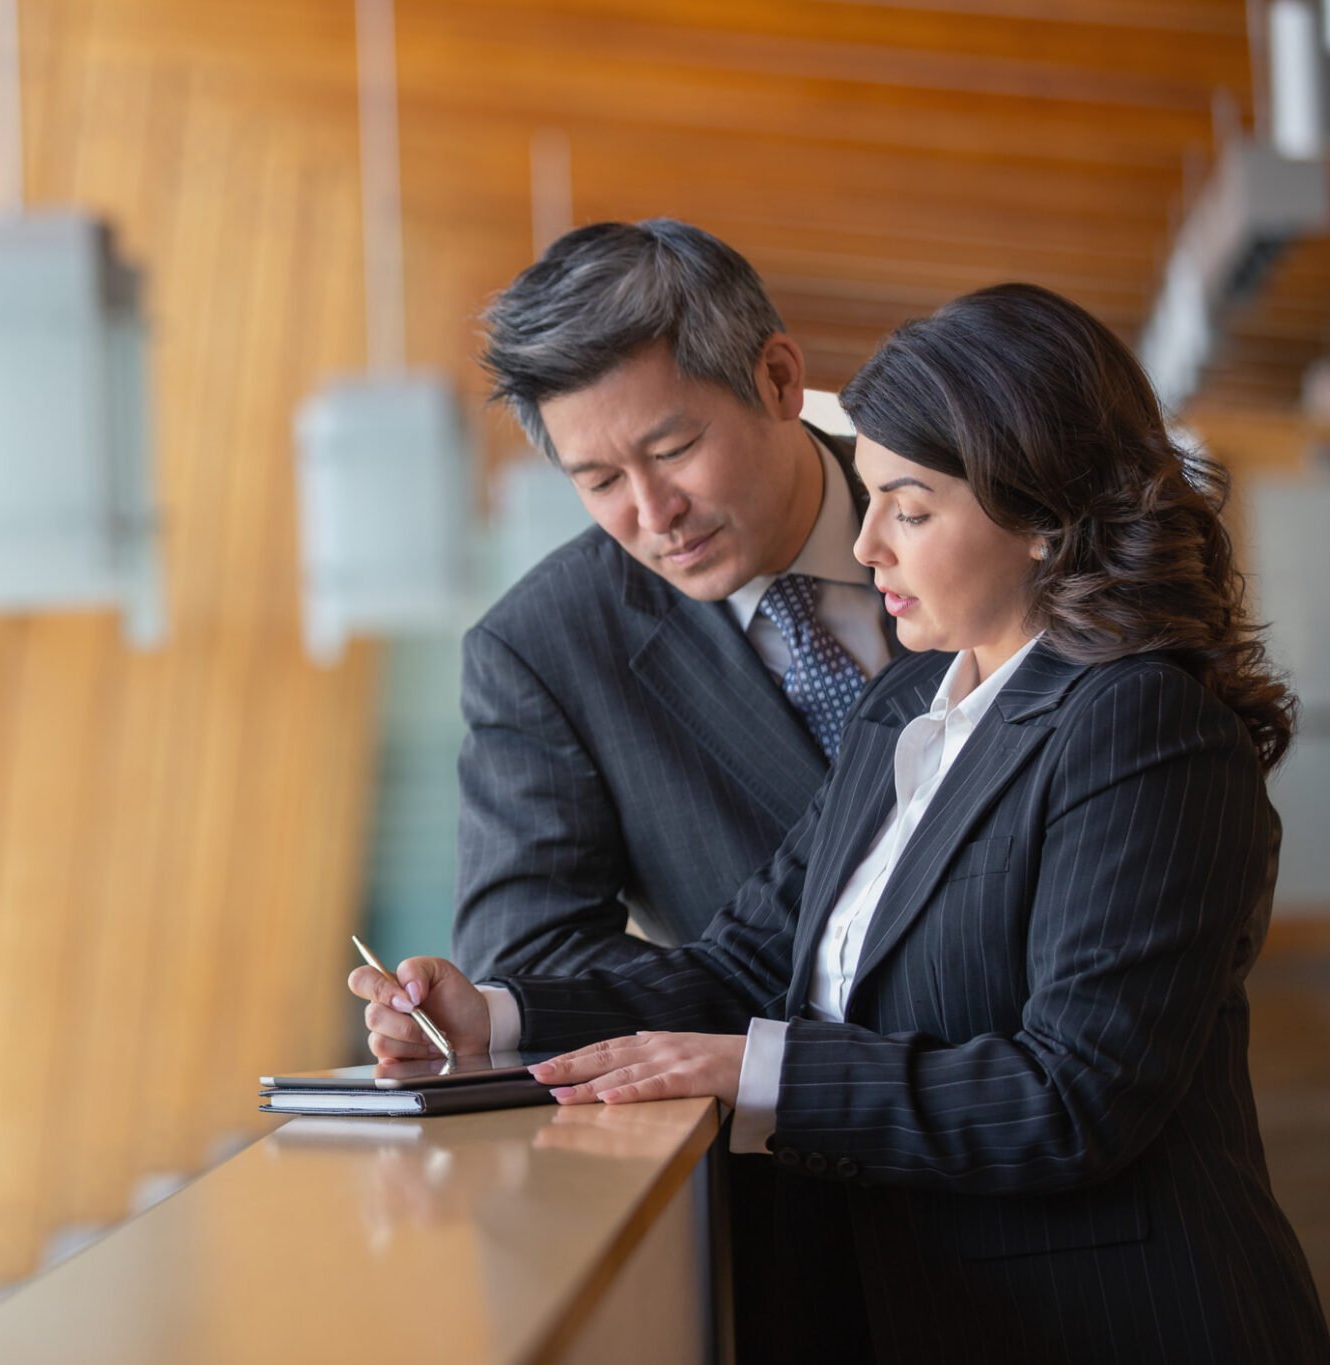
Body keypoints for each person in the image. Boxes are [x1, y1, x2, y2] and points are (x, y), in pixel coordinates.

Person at [357, 284, 1330, 1362]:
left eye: (907, 510)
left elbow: (1074, 1095)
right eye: (867, 502)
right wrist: (489, 1015)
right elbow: (741, 963)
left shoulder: (1142, 727)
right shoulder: (907, 707)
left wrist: (751, 1073)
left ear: (1048, 521)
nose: (864, 547)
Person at [456, 219, 892, 983]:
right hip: (788, 1098)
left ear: (781, 380)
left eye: (673, 452)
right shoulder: (545, 649)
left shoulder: (975, 503)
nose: (654, 514)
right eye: (599, 482)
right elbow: (528, 959)